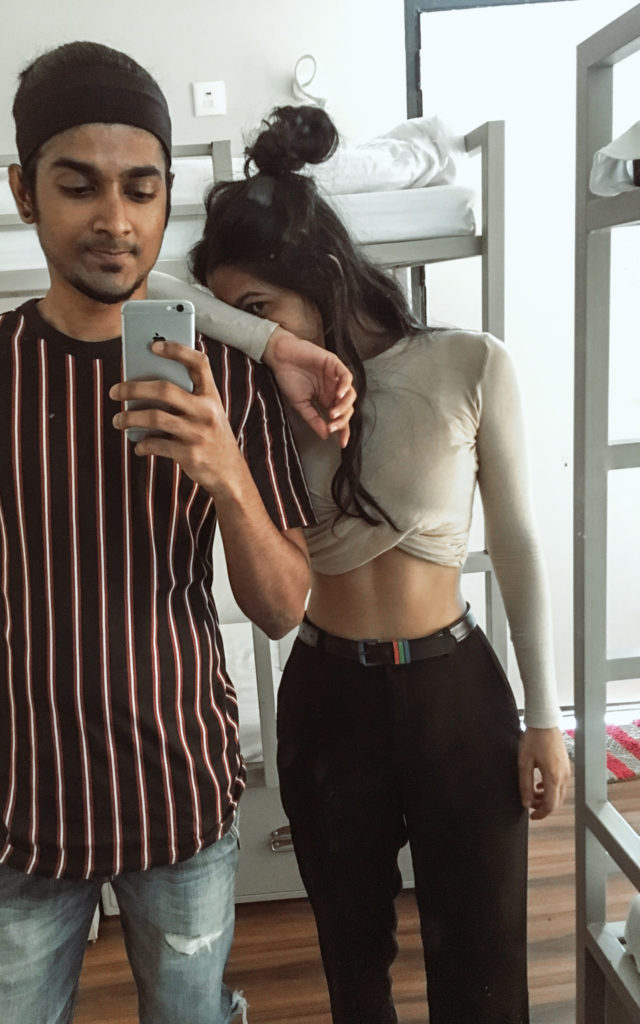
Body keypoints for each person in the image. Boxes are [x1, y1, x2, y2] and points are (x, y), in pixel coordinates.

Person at [0, 46, 356, 1024]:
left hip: (181, 804)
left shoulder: (225, 378)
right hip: (11, 819)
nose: (114, 219)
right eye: (77, 185)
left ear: (166, 197)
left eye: (141, 189)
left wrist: (225, 471)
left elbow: (280, 608)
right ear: (24, 192)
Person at [186, 104, 572, 1024]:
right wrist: (269, 341)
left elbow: (518, 544)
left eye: (261, 307)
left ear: (319, 273)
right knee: (352, 963)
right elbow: (146, 292)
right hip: (329, 700)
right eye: (236, 318)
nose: (247, 333)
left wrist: (546, 718)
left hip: (456, 694)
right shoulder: (266, 392)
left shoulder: (468, 362)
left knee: (484, 965)